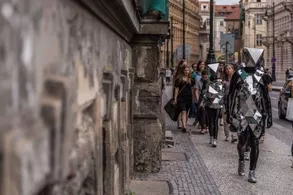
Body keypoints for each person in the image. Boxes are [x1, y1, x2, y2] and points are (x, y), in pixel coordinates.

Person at [227, 47, 273, 183]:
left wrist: (268, 115)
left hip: (256, 112)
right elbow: (231, 94)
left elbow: (266, 97)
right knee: (242, 141)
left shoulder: (262, 75)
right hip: (241, 110)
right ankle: (241, 159)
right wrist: (229, 112)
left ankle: (252, 171)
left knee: (254, 142)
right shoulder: (238, 73)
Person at [202, 63, 225, 147]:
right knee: (212, 121)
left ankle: (214, 138)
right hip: (211, 104)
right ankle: (212, 137)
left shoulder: (219, 83)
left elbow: (222, 94)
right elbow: (204, 93)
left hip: (216, 105)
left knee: (214, 122)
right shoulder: (208, 83)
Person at [173, 65, 195, 133]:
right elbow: (176, 89)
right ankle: (184, 126)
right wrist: (175, 98)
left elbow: (193, 89)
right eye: (185, 70)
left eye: (188, 70)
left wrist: (194, 98)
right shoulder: (179, 79)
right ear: (183, 71)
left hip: (188, 98)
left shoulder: (191, 79)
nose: (186, 72)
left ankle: (184, 124)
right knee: (183, 111)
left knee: (187, 112)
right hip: (181, 97)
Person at [222, 64, 237, 142]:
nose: (228, 70)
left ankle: (234, 135)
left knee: (234, 118)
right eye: (226, 69)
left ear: (233, 69)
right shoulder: (224, 80)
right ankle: (227, 135)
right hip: (225, 101)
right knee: (225, 119)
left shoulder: (237, 79)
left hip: (234, 101)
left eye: (229, 68)